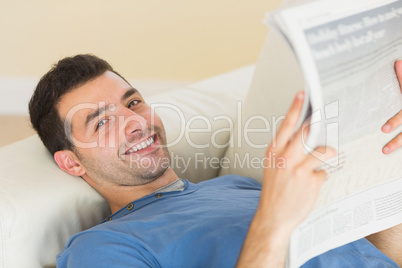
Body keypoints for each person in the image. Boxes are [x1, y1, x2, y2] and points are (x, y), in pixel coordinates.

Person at [28, 54, 401, 267]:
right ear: (71, 163)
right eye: (103, 122)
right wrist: (273, 221)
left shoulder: (237, 185)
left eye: (133, 102)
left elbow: (375, 254)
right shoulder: (100, 248)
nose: (136, 123)